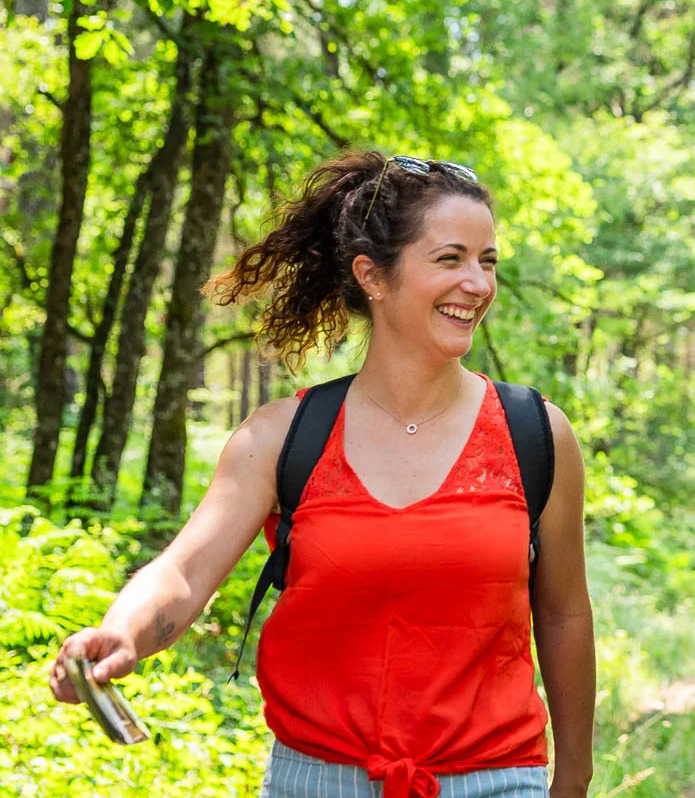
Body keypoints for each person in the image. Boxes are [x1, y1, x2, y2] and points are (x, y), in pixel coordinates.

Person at [49, 151, 596, 798]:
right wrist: (123, 631)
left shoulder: (535, 433)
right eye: (450, 259)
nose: (478, 283)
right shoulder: (283, 438)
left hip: (499, 781)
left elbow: (563, 615)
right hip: (316, 781)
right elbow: (183, 573)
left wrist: (574, 778)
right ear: (374, 276)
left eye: (488, 261)